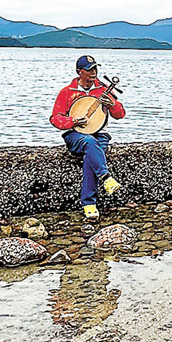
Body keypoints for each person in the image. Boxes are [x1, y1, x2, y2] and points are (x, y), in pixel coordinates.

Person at [50, 55, 126, 219]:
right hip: (75, 134)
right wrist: (73, 121)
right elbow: (55, 118)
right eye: (89, 69)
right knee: (90, 143)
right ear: (80, 72)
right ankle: (105, 179)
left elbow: (120, 115)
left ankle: (89, 204)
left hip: (100, 133)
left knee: (91, 155)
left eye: (95, 69)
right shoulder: (67, 92)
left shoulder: (103, 90)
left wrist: (112, 105)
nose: (94, 72)